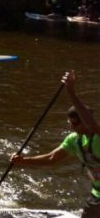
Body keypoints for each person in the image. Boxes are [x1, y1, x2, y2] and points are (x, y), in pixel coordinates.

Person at [10, 71, 100, 218]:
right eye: (70, 123)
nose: (71, 127)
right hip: (97, 193)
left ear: (85, 121)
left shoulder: (98, 136)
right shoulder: (73, 140)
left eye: (75, 124)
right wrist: (23, 161)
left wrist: (71, 93)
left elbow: (93, 126)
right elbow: (52, 158)